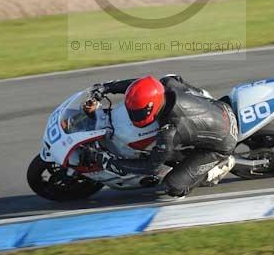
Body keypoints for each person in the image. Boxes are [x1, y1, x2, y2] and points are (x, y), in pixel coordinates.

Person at [81, 75, 238, 197]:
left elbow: (151, 166)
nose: (132, 114)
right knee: (171, 78)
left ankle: (216, 169)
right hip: (216, 107)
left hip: (222, 142)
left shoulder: (169, 131)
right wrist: (107, 88)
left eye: (136, 111)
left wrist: (110, 162)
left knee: (173, 186)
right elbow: (138, 86)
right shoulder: (164, 86)